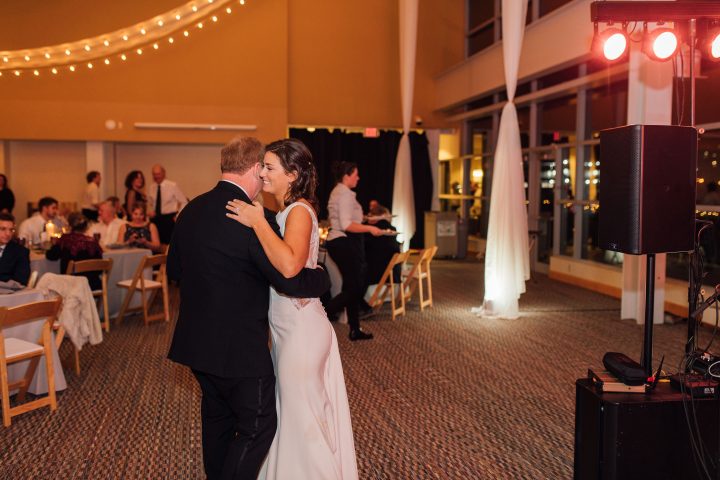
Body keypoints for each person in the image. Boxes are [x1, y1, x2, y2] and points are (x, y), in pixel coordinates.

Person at [167, 136, 330, 480]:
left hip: (196, 345)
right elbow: (289, 280)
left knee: (217, 421)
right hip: (239, 348)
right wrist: (322, 277)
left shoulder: (190, 210)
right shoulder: (252, 218)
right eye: (266, 168)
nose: (267, 176)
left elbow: (174, 272)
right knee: (258, 425)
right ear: (256, 168)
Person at [226, 138, 358, 479]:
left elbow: (289, 267)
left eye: (269, 167)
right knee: (294, 415)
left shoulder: (299, 211)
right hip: (287, 329)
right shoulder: (284, 212)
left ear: (293, 174)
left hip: (301, 331)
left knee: (303, 418)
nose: (262, 173)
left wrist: (256, 222)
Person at [325, 161, 383, 341]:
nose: (358, 177)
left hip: (339, 241)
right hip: (343, 242)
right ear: (347, 176)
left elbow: (345, 219)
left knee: (351, 286)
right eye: (355, 174)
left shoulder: (338, 191)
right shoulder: (345, 194)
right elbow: (346, 224)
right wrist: (370, 229)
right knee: (355, 288)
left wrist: (365, 219)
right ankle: (322, 314)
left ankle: (355, 329)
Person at [45, 212, 103, 290]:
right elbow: (100, 269)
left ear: (69, 226)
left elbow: (50, 256)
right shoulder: (93, 242)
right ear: (86, 227)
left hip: (71, 286)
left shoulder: (65, 240)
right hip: (92, 285)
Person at [147, 164, 188, 245]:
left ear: (163, 173)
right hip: (156, 219)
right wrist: (150, 212)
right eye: (154, 174)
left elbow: (184, 201)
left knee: (169, 243)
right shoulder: (152, 187)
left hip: (168, 219)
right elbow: (150, 203)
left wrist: (177, 216)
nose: (156, 176)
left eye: (158, 174)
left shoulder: (172, 185)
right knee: (156, 243)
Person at [0, 213, 30, 285]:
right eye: (3, 229)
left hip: (7, 293)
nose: (8, 233)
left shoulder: (20, 252)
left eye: (11, 230)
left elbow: (21, 280)